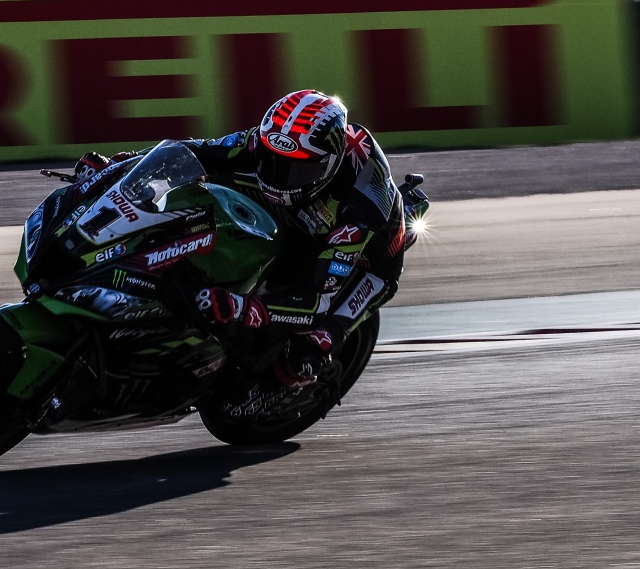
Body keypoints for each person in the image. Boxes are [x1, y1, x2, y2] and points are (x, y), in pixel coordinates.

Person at [77, 90, 411, 390]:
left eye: (294, 170)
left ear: (329, 164)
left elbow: (314, 302)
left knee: (314, 341)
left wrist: (242, 308)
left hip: (365, 263)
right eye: (271, 160)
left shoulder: (359, 212)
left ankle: (298, 373)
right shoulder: (270, 141)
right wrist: (121, 164)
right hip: (300, 213)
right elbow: (195, 152)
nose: (277, 176)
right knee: (206, 181)